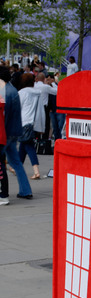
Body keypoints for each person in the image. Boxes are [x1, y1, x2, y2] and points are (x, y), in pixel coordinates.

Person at [0, 66, 32, 200]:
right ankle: (25, 190)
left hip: (6, 133)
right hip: (14, 131)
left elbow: (4, 116)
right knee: (16, 162)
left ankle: (4, 194)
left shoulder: (4, 92)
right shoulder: (13, 90)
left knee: (5, 163)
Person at [18, 73, 42, 180]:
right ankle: (17, 166)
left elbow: (18, 108)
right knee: (24, 145)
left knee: (28, 146)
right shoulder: (37, 93)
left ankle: (36, 171)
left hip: (23, 121)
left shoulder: (21, 93)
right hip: (33, 122)